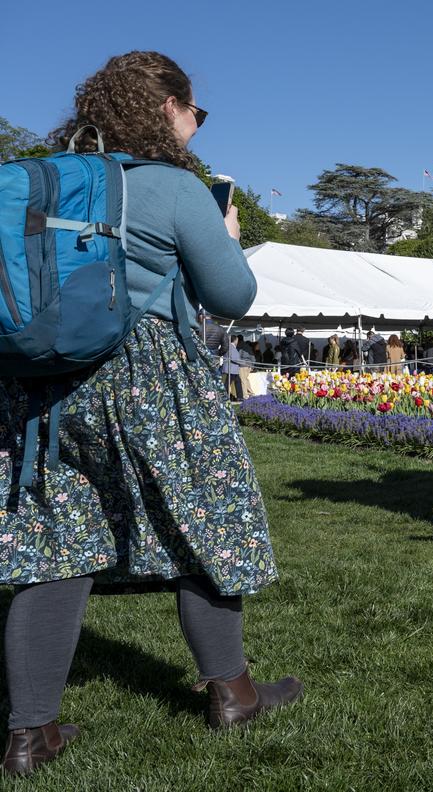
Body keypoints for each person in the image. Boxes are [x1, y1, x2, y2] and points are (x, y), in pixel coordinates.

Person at [0, 51, 300, 776]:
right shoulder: (171, 186)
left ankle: (30, 734)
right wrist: (228, 237)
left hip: (44, 388)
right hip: (147, 374)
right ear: (168, 108)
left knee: (54, 543)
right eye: (195, 111)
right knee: (207, 520)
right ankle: (233, 693)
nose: (196, 124)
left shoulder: (48, 178)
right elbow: (231, 296)